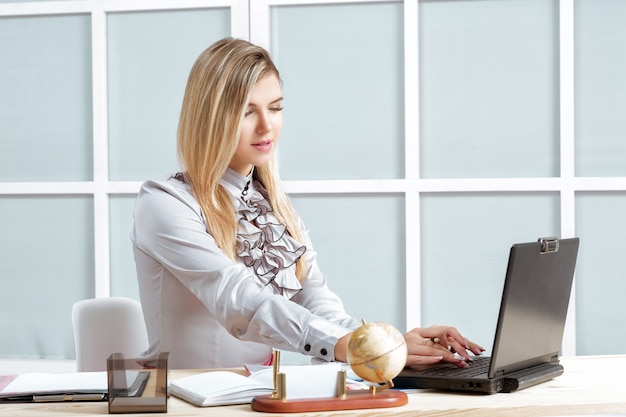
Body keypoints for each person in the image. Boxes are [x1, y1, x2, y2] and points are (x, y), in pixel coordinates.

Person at [131, 37, 484, 370]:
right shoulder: (164, 203)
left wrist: (383, 344)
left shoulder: (272, 204)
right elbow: (240, 300)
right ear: (209, 116)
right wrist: (356, 347)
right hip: (179, 398)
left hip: (250, 396)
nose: (267, 126)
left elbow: (314, 297)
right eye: (247, 111)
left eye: (276, 107)